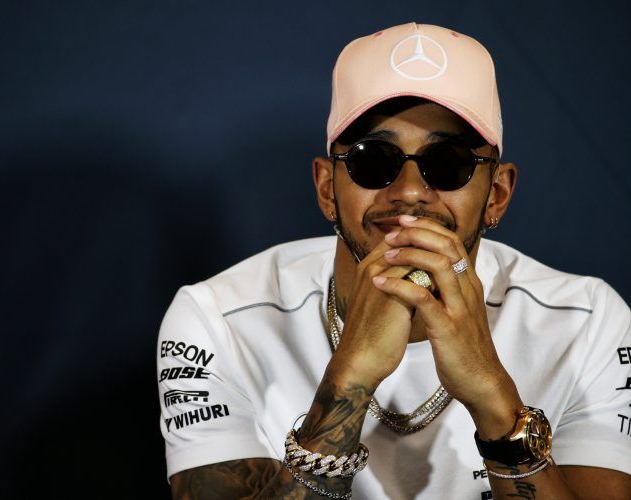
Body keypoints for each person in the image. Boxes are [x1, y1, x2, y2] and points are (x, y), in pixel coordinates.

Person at [156, 22, 631, 499]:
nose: (408, 193)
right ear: (327, 188)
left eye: (449, 163)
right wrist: (349, 378)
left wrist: (492, 395)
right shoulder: (218, 320)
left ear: (497, 195)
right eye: (373, 160)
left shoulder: (587, 322)